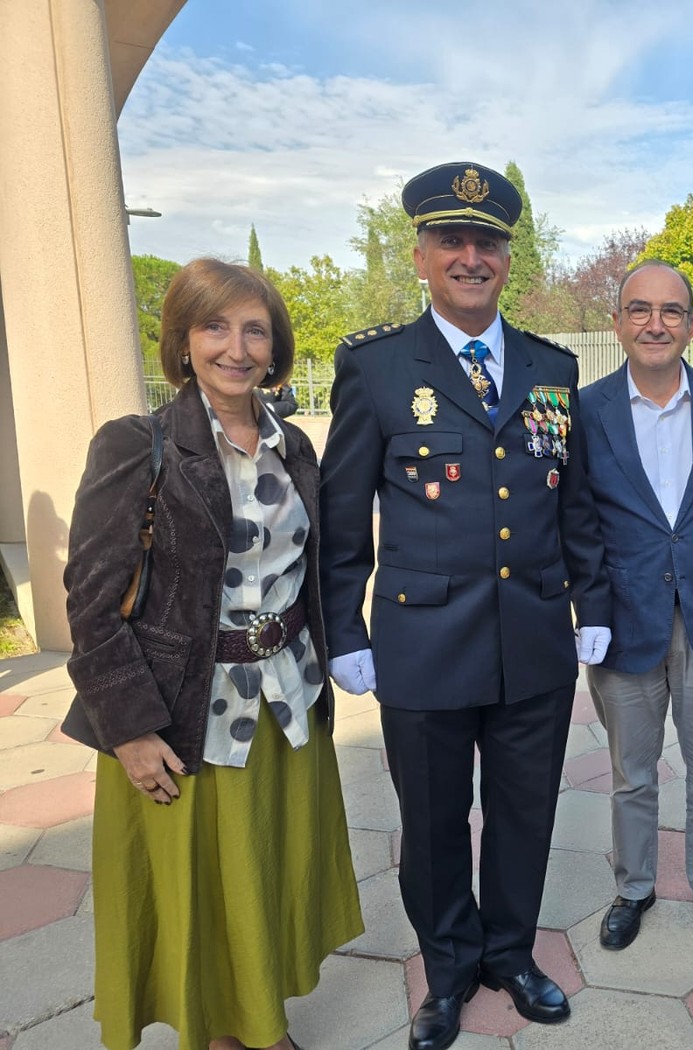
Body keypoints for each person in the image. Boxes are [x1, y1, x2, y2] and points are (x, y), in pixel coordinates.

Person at [318, 161, 610, 1050]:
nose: (471, 256)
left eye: (487, 243)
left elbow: (575, 503)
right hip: (422, 643)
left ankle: (511, 956)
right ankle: (447, 974)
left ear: (507, 260)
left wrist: (590, 600)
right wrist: (345, 628)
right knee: (437, 824)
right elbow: (341, 514)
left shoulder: (552, 367)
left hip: (532, 640)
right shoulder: (374, 368)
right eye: (453, 240)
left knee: (526, 814)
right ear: (422, 254)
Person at [63, 258, 363, 1050]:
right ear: (183, 340)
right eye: (215, 326)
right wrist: (126, 728)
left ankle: (259, 1017)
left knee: (262, 873)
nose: (237, 347)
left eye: (254, 328)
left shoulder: (292, 445)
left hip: (283, 700)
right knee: (199, 887)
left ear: (275, 345)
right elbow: (91, 602)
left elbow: (309, 571)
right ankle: (229, 1036)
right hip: (182, 712)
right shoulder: (139, 445)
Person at [577, 261, 693, 953]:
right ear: (618, 323)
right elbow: (577, 520)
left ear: (692, 324)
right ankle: (633, 888)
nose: (656, 324)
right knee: (632, 773)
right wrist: (590, 607)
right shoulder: (585, 411)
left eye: (672, 311)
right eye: (641, 310)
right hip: (622, 619)